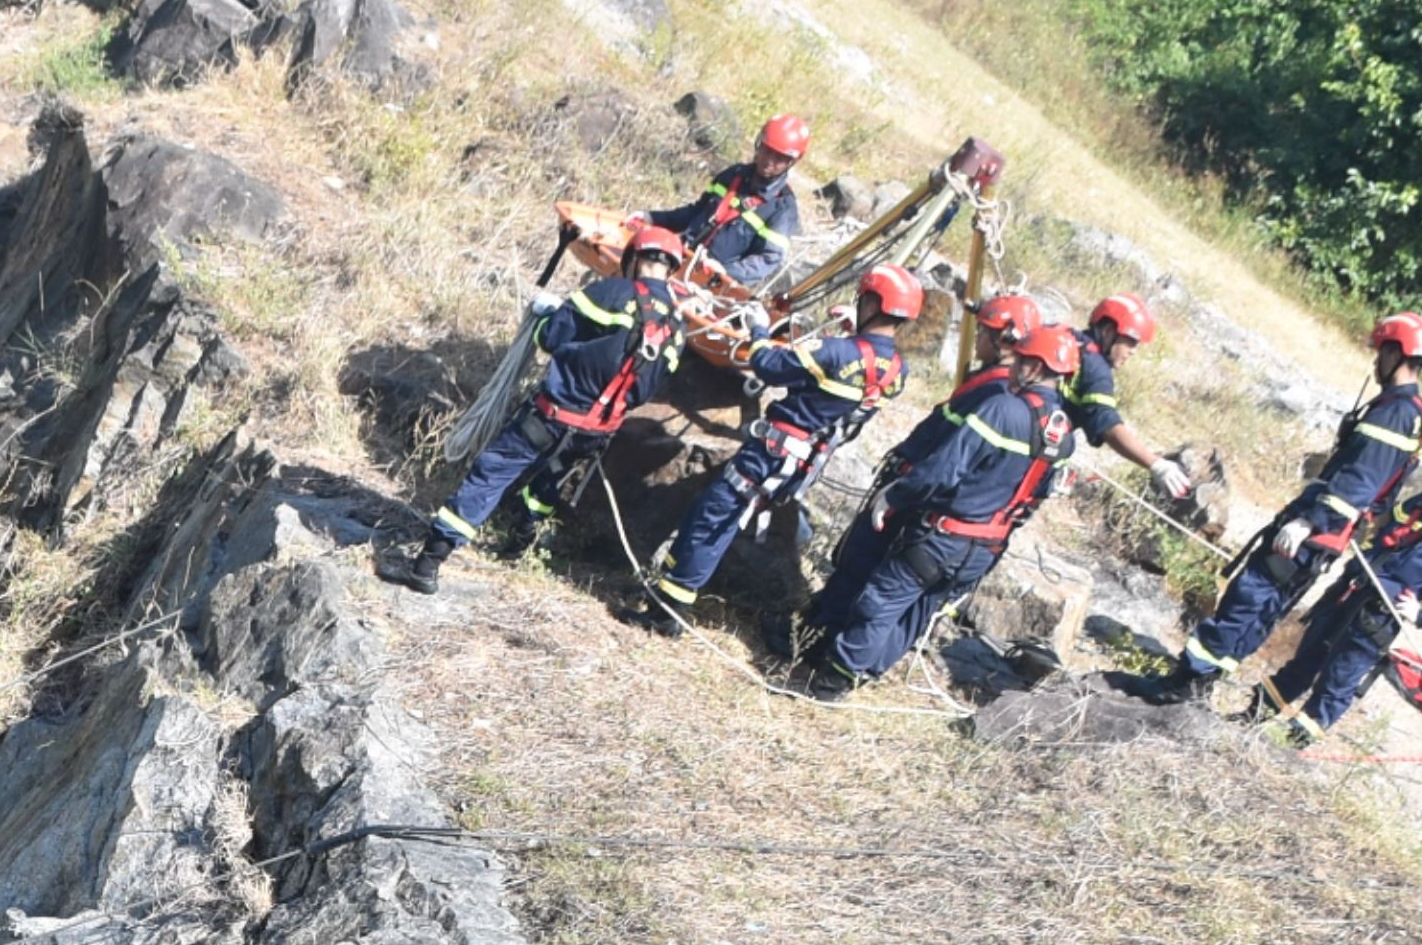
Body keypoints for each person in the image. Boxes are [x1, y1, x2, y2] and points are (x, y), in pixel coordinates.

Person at [785, 291, 1078, 694]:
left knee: (881, 601)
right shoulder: (1062, 435)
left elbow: (945, 467)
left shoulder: (1001, 408)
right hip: (987, 546)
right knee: (919, 610)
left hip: (946, 533)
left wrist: (897, 495)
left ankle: (831, 679)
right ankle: (860, 673)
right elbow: (1034, 495)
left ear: (1032, 365)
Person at [1170, 311, 1422, 692]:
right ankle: (1198, 684)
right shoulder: (1410, 415)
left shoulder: (1394, 414)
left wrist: (1308, 522)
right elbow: (1382, 492)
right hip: (1328, 537)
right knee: (1261, 611)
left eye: (1382, 352)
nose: (1376, 361)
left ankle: (1184, 682)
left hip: (1315, 533)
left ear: (1398, 353)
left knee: (1249, 599)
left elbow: (1359, 480)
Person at [407, 221, 690, 583]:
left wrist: (546, 316)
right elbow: (648, 384)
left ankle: (429, 562)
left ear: (633, 257)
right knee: (550, 480)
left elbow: (551, 336)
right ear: (671, 268)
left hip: (551, 415)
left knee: (493, 472)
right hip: (597, 431)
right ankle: (519, 541)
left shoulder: (610, 293)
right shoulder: (677, 328)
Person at [644, 266, 921, 632]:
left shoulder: (835, 352)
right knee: (724, 517)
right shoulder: (897, 371)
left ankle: (668, 610)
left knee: (713, 516)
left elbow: (769, 365)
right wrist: (854, 335)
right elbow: (860, 373)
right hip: (804, 463)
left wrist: (758, 328)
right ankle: (672, 601)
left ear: (869, 302)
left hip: (771, 456)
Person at [1267, 432, 1422, 737]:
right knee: (1304, 659)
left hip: (1378, 615)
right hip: (1351, 590)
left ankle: (1288, 743)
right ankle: (1253, 715)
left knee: (1337, 682)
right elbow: (1389, 526)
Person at [647, 115, 814, 295]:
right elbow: (696, 211)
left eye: (779, 157)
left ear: (791, 162)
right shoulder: (734, 175)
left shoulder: (783, 209)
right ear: (759, 144)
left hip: (713, 287)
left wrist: (725, 271)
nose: (769, 160)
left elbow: (768, 259)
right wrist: (653, 218)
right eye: (767, 150)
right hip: (682, 260)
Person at [1058, 295, 1195, 508]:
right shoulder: (1097, 371)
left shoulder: (1065, 337)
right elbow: (1107, 425)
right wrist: (1156, 464)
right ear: (1108, 331)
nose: (1133, 351)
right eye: (1130, 341)